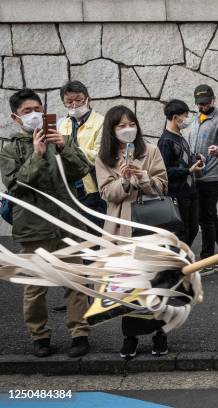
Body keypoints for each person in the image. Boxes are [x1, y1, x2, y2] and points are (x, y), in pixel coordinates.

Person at [0, 89, 91, 358]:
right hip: (33, 228)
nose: (34, 115)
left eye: (37, 109)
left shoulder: (59, 139)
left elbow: (82, 170)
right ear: (16, 118)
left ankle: (80, 333)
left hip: (67, 223)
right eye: (27, 111)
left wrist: (64, 146)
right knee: (35, 288)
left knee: (75, 281)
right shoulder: (9, 149)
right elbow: (16, 186)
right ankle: (39, 336)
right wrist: (37, 155)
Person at [95, 105, 169, 359]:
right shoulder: (104, 157)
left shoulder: (151, 150)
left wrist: (144, 178)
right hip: (120, 227)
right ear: (111, 130)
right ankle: (131, 336)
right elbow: (106, 193)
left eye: (131, 124)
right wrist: (125, 181)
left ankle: (160, 332)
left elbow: (163, 187)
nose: (128, 130)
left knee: (155, 281)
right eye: (121, 126)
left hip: (150, 223)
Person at [187, 84, 218, 274]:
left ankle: (207, 260)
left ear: (213, 100)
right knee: (210, 216)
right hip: (197, 175)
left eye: (206, 103)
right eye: (199, 104)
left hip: (213, 176)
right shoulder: (195, 118)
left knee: (204, 218)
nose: (203, 107)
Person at [58, 81, 107, 226]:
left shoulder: (101, 122)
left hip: (91, 188)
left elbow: (99, 155)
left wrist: (68, 149)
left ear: (87, 98)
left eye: (78, 100)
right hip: (69, 189)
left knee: (94, 231)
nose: (74, 105)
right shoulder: (63, 124)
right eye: (69, 101)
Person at [158, 99, 203, 246]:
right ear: (175, 117)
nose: (186, 119)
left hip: (191, 191)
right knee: (182, 232)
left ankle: (185, 260)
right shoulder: (165, 141)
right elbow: (165, 170)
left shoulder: (180, 136)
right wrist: (188, 170)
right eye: (184, 115)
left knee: (194, 229)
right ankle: (181, 264)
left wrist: (196, 159)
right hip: (177, 194)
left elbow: (182, 158)